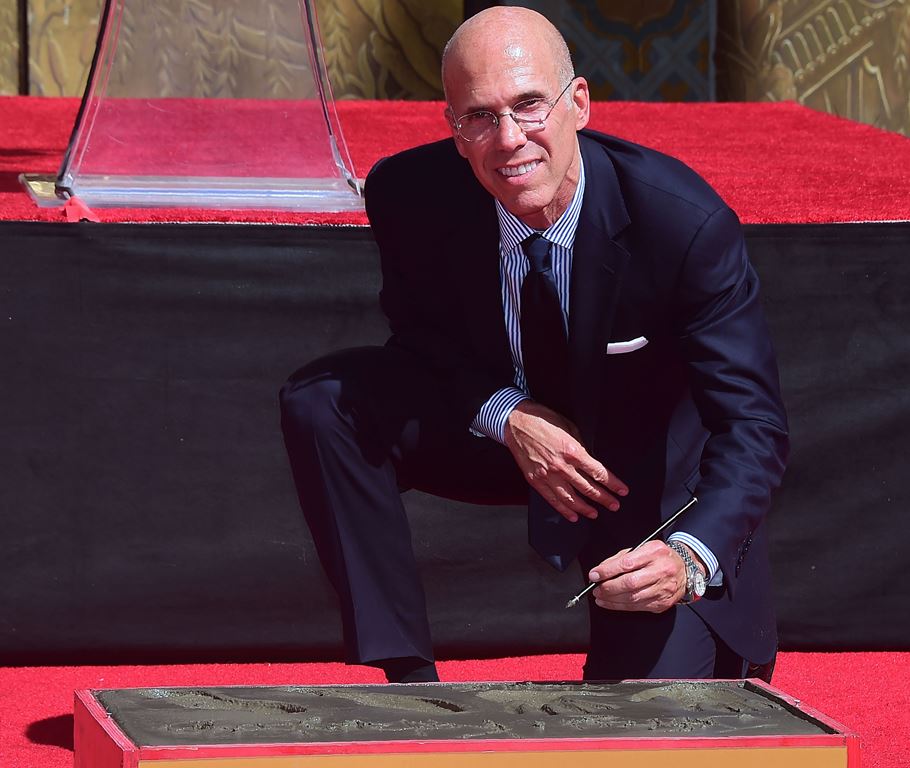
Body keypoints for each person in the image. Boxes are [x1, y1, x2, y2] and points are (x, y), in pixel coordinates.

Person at [280, 6, 789, 684]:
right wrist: (508, 415)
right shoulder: (410, 195)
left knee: (651, 726)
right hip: (500, 435)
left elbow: (753, 424)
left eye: (528, 105)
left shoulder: (681, 225)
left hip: (638, 476)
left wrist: (690, 559)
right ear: (454, 131)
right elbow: (419, 338)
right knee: (324, 403)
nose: (510, 139)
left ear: (578, 102)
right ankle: (404, 679)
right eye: (480, 117)